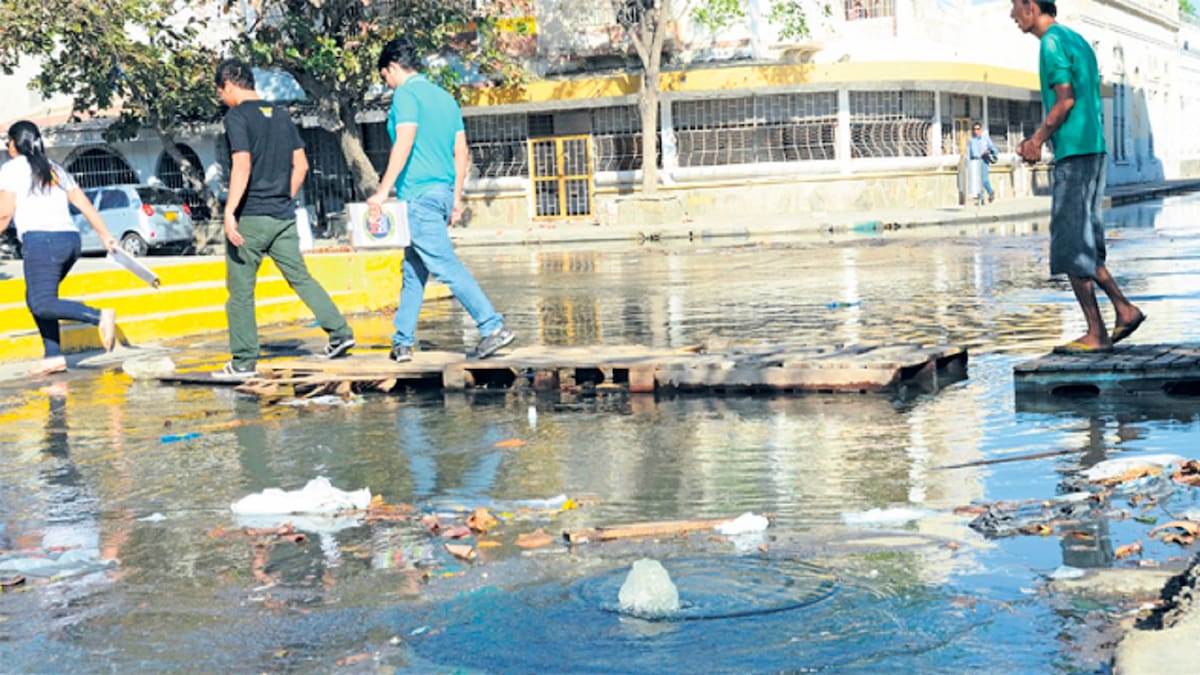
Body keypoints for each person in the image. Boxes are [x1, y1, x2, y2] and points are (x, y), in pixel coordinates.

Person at [368, 38, 515, 363]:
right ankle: (402, 341)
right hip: (441, 192)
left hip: (418, 195)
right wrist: (457, 198)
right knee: (413, 269)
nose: (387, 85)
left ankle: (492, 327)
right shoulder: (444, 97)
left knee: (444, 264)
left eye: (385, 78)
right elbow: (461, 152)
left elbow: (404, 140)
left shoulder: (406, 94)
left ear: (392, 68)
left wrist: (382, 190)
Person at [1011, 0, 1145, 354]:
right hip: (1094, 150)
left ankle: (1097, 332)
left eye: (1014, 7)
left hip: (1076, 151)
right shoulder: (1078, 40)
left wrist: (1037, 140)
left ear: (1030, 6)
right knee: (1083, 243)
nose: (1012, 16)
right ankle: (1124, 310)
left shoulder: (1051, 43)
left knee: (1071, 246)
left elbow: (1065, 100)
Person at [214, 59, 356, 379]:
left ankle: (243, 362)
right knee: (301, 278)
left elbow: (242, 165)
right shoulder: (280, 114)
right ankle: (340, 333)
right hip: (283, 216)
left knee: (240, 292)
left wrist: (229, 212)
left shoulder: (236, 117)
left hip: (250, 216)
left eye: (221, 92)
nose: (222, 98)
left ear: (230, 85)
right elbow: (301, 166)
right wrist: (283, 198)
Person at [0, 120, 118, 376]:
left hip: (43, 242)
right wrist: (105, 235)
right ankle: (53, 356)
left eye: (8, 140)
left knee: (41, 303)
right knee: (38, 298)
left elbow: (4, 214)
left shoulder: (11, 169)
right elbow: (84, 204)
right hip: (70, 241)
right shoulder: (54, 168)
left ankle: (97, 315)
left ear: (14, 143)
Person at [968, 121, 999, 204]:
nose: (976, 131)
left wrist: (991, 152)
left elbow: (993, 148)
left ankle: (991, 192)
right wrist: (969, 163)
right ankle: (981, 199)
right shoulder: (971, 141)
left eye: (978, 129)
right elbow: (969, 153)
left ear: (981, 130)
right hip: (975, 160)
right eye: (974, 129)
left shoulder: (985, 138)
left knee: (984, 179)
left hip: (984, 159)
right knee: (978, 180)